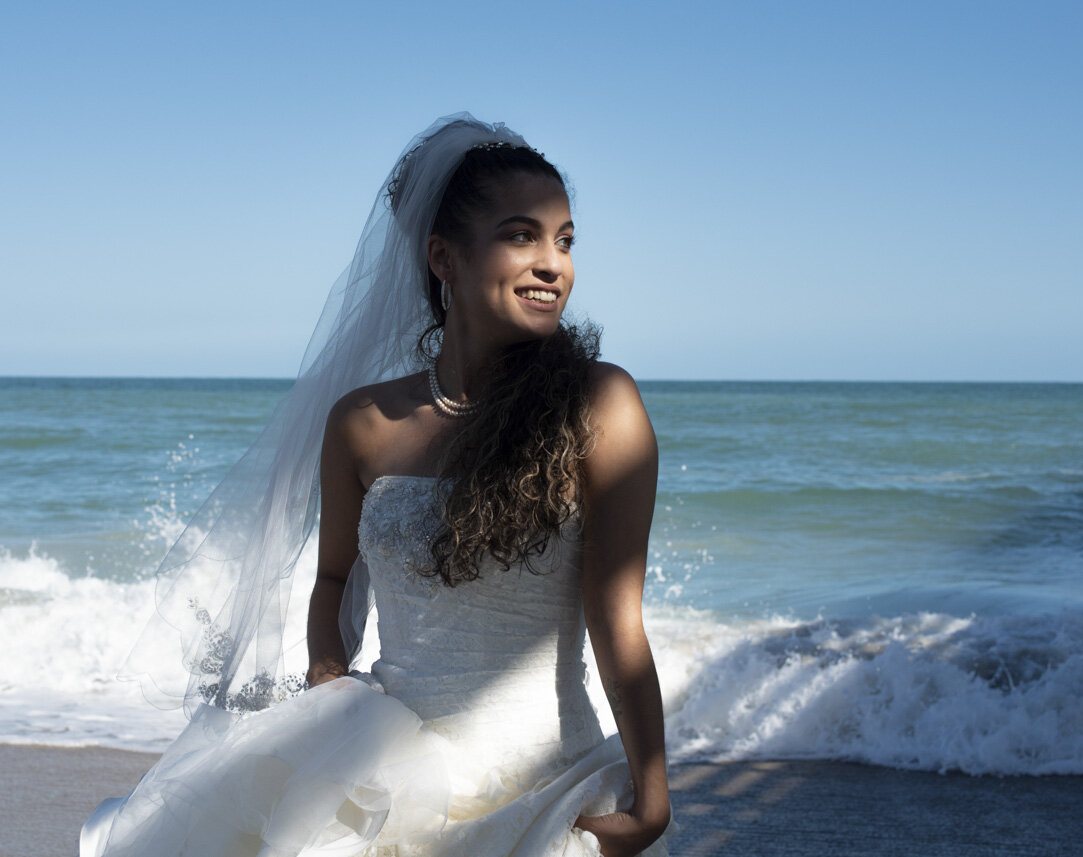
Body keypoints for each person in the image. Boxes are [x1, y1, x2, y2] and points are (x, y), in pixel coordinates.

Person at [80, 114, 674, 857]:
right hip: (384, 776)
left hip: (548, 785)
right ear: (443, 256)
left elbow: (618, 620)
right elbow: (333, 578)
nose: (554, 264)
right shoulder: (361, 423)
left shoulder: (600, 404)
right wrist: (328, 681)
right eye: (522, 236)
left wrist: (652, 794)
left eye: (566, 240)